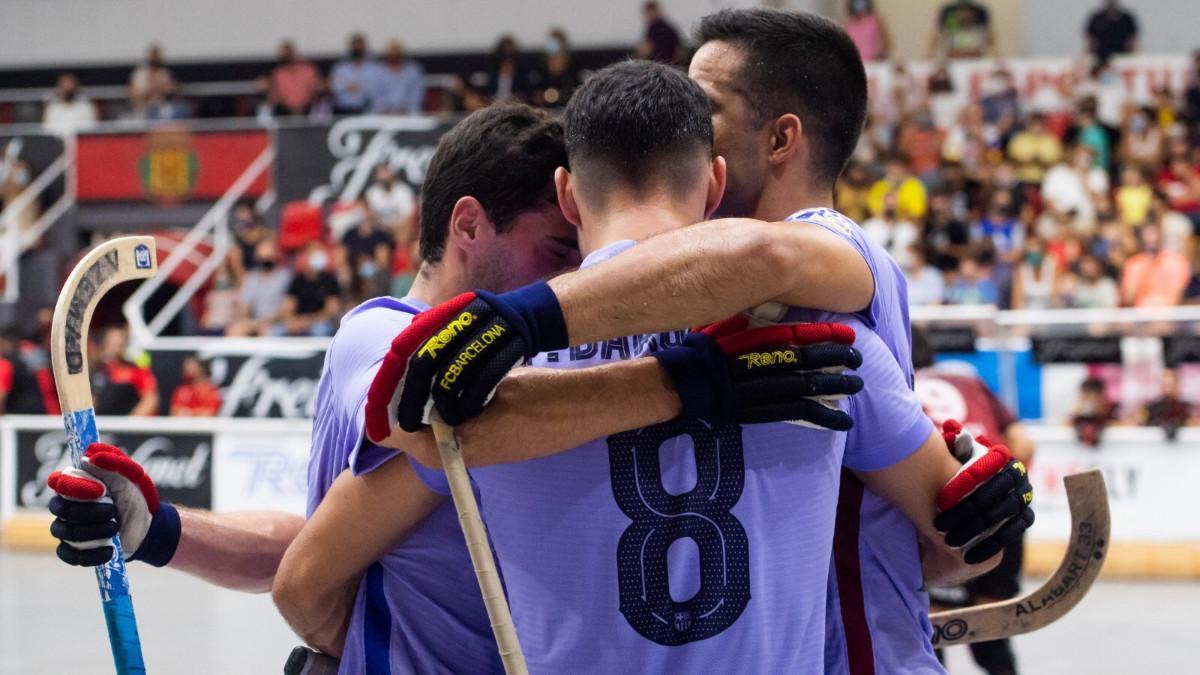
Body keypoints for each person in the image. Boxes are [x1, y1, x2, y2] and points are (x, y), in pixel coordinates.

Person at [368, 13, 1028, 672]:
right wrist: (681, 382)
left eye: (704, 105)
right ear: (709, 180)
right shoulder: (825, 341)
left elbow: (413, 441)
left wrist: (525, 320)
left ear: (567, 196)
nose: (681, 110)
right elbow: (956, 544)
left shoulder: (824, 256)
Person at [912, 327, 1035, 675]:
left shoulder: (890, 385)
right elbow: (1024, 445)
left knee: (929, 632)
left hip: (935, 520)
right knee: (991, 637)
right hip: (1002, 509)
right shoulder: (968, 380)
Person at [91, 325, 158, 416]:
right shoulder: (97, 370)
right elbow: (92, 400)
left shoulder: (136, 371)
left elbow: (150, 399)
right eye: (110, 344)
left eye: (117, 344)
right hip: (102, 425)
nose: (113, 349)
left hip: (124, 426)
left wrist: (130, 423)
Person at [279, 243, 342, 337]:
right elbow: (288, 306)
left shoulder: (330, 280)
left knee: (320, 330)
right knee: (277, 331)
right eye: (313, 254)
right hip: (298, 321)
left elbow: (331, 310)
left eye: (319, 253)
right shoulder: (297, 280)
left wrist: (308, 321)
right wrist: (292, 321)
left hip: (319, 322)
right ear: (305, 257)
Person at [1121, 223, 1190, 307]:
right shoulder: (1134, 264)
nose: (1152, 240)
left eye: (1154, 236)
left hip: (1169, 314)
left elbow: (1176, 296)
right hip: (1140, 316)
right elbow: (1129, 298)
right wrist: (1146, 269)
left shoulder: (1176, 261)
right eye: (1148, 239)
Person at [330, 33, 383, 115]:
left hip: (366, 110)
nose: (357, 49)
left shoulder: (374, 68)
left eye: (359, 46)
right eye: (355, 46)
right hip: (343, 110)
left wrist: (360, 87)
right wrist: (347, 86)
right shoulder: (340, 68)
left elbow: (376, 88)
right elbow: (335, 86)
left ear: (364, 47)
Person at [372, 40, 425, 115]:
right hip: (384, 114)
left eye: (396, 51)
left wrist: (404, 110)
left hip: (408, 113)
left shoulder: (413, 71)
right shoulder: (378, 72)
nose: (394, 54)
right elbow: (376, 96)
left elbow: (416, 95)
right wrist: (386, 110)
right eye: (392, 51)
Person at [269, 40, 320, 116]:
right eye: (283, 55)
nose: (285, 57)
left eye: (287, 54)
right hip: (285, 112)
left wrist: (301, 106)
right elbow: (275, 95)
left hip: (308, 111)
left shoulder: (308, 70)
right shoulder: (278, 73)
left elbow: (314, 89)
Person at [1142, 368, 1192, 440]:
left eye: (1171, 385)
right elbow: (1144, 427)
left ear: (1177, 385)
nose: (1169, 389)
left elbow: (1192, 425)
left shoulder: (1186, 407)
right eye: (1166, 385)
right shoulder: (1151, 408)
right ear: (1161, 386)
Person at [363, 163, 416, 230]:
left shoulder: (403, 190)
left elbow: (408, 215)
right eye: (380, 174)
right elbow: (372, 214)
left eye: (385, 172)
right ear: (376, 177)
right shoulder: (372, 192)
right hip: (381, 228)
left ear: (391, 174)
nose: (384, 176)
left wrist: (397, 228)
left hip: (401, 227)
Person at [128, 43, 176, 117]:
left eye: (157, 58)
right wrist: (149, 89)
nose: (155, 60)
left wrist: (160, 88)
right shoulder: (140, 74)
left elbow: (171, 91)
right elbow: (134, 93)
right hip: (144, 108)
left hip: (162, 107)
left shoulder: (164, 73)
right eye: (153, 58)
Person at [536, 28, 577, 108]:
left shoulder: (572, 64)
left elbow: (573, 88)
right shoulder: (543, 64)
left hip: (565, 106)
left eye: (553, 41)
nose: (550, 44)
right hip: (546, 108)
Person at [1072, 377, 1116, 447]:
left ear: (1102, 397)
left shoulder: (1113, 410)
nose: (1089, 403)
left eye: (1092, 398)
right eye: (1085, 398)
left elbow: (1125, 424)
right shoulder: (1077, 416)